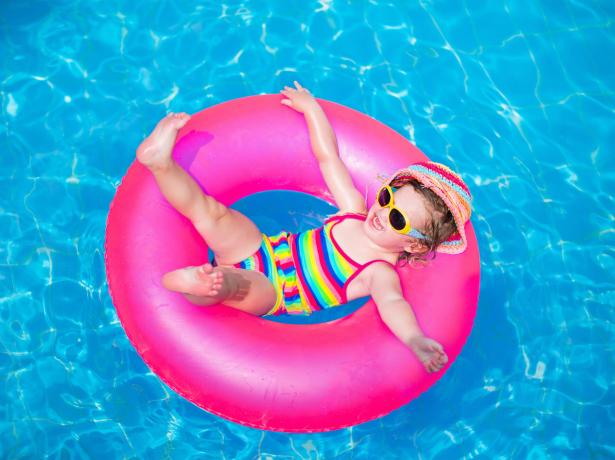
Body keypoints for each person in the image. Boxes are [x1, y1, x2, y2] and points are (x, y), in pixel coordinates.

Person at [136, 81, 472, 373]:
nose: (382, 212)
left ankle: (199, 285)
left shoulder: (378, 272)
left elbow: (393, 305)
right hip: (263, 248)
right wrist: (312, 110)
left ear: (414, 245)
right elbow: (329, 160)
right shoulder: (354, 210)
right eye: (387, 197)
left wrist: (415, 339)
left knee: (233, 286)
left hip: (276, 290)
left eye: (397, 219)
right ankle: (159, 163)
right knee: (212, 213)